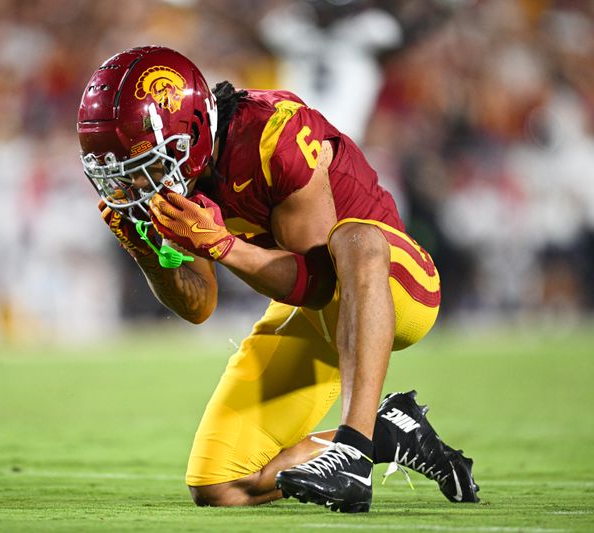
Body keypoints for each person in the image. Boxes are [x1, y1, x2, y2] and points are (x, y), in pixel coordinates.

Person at [77, 46, 479, 512]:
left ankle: (352, 448)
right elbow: (199, 304)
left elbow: (323, 283)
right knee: (220, 484)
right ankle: (387, 431)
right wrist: (145, 250)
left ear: (193, 134)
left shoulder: (274, 135)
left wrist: (226, 246)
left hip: (392, 288)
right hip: (308, 311)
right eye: (124, 172)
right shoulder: (175, 175)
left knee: (356, 239)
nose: (139, 185)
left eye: (145, 166)